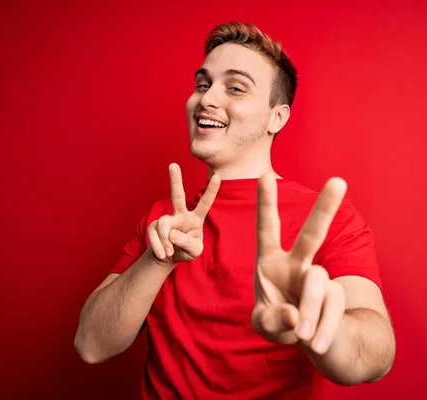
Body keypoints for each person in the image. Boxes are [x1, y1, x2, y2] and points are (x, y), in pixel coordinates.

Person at [74, 21, 396, 399]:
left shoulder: (327, 218)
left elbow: (376, 354)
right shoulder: (164, 220)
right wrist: (157, 261)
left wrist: (313, 325)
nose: (207, 99)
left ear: (277, 117)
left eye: (236, 87)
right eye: (203, 84)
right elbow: (91, 345)